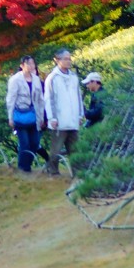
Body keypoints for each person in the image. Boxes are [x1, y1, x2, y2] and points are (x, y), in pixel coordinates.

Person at [45, 46, 84, 175]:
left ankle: (77, 173)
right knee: (56, 149)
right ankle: (53, 172)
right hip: (59, 120)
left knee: (75, 148)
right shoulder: (52, 78)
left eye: (69, 58)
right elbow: (49, 99)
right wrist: (52, 118)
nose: (68, 61)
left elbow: (78, 97)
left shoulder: (73, 77)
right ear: (57, 60)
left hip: (73, 119)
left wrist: (80, 114)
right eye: (65, 59)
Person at [6, 54, 46, 174]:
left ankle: (26, 165)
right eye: (28, 63)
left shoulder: (36, 79)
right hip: (20, 114)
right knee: (24, 143)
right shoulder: (15, 80)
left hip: (33, 114)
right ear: (22, 65)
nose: (31, 66)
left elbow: (40, 99)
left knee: (34, 143)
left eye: (32, 63)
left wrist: (41, 117)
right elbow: (11, 99)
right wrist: (10, 117)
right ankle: (23, 168)